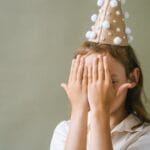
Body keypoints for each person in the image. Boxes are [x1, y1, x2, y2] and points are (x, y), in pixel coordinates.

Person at [50, 0, 150, 149]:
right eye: (86, 80)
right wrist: (78, 111)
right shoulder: (64, 131)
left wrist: (100, 111)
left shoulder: (143, 136)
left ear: (133, 78)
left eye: (108, 81)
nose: (95, 92)